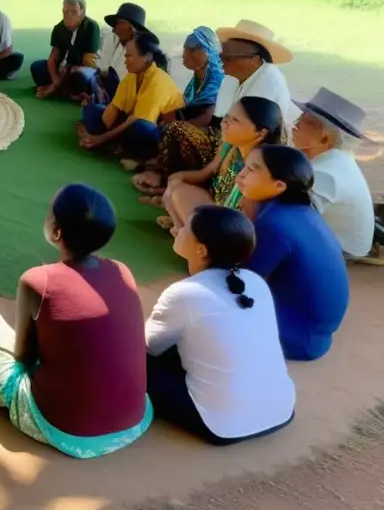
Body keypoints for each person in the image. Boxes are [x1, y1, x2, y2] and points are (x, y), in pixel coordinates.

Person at [0, 185, 152, 459]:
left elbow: (23, 359)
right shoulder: (123, 271)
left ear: (56, 232)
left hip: (65, 430)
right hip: (133, 422)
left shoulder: (37, 280)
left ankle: (5, 398)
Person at [146, 205, 295, 445]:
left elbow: (149, 347)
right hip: (281, 411)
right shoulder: (256, 282)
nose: (179, 229)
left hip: (221, 426)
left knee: (137, 362)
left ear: (201, 250)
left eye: (185, 227)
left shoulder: (184, 293)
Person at [234, 145, 349, 361]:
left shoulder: (273, 224)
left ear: (279, 186)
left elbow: (242, 281)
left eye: (252, 169)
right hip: (314, 335)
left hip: (295, 337)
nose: (242, 174)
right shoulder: (301, 211)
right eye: (246, 166)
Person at [160, 97, 283, 235]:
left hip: (228, 226)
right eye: (227, 116)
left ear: (261, 133)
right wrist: (176, 179)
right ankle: (185, 230)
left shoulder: (261, 167)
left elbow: (243, 221)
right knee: (176, 187)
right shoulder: (229, 145)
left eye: (235, 120)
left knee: (178, 193)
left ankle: (190, 236)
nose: (224, 122)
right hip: (216, 207)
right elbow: (207, 172)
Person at [132, 27, 225, 195]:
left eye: (191, 50)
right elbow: (185, 107)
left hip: (213, 138)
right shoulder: (198, 77)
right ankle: (157, 169)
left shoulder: (217, 78)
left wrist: (174, 127)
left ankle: (168, 183)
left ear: (205, 52)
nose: (185, 55)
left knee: (173, 130)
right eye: (185, 49)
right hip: (192, 127)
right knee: (149, 128)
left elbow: (207, 117)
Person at [291, 88, 376, 260]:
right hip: (339, 244)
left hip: (342, 251)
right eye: (301, 117)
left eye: (308, 122)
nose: (296, 123)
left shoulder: (326, 172)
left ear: (326, 138)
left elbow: (296, 218)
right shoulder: (335, 159)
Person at [79, 33, 183, 160]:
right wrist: (94, 126)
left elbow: (138, 120)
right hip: (131, 121)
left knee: (141, 128)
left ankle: (119, 147)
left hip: (159, 131)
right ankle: (117, 145)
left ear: (145, 57)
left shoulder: (158, 80)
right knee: (92, 111)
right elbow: (112, 112)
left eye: (129, 56)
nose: (125, 60)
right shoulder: (131, 76)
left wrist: (99, 138)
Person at [31, 0, 101, 99]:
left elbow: (88, 61)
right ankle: (64, 91)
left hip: (78, 69)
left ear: (82, 11)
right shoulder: (59, 28)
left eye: (73, 12)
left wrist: (60, 80)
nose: (69, 15)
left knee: (79, 77)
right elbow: (53, 57)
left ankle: (58, 90)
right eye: (66, 12)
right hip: (62, 69)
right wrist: (56, 79)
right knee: (37, 66)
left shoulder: (91, 27)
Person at [83, 2, 152, 105]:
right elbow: (103, 66)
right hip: (112, 89)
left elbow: (120, 81)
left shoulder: (141, 52)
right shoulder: (116, 39)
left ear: (129, 27)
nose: (114, 31)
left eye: (117, 25)